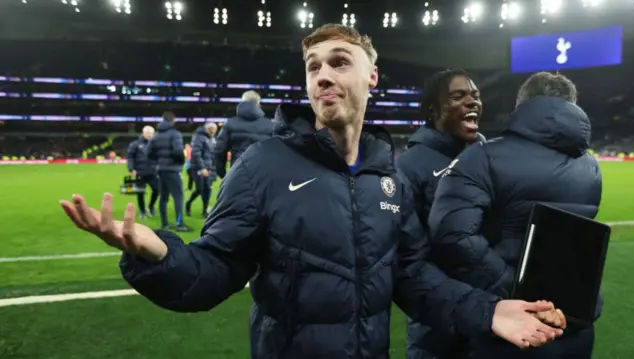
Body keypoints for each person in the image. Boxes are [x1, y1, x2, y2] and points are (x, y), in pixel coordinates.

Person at [60, 25, 565, 359]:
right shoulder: (264, 164)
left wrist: (489, 309)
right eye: (313, 66)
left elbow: (412, 277)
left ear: (372, 76)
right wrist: (160, 253)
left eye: (339, 62)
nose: (323, 74)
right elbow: (214, 270)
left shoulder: (387, 175)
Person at [428, 71, 599, 358]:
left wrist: (519, 291)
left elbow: (451, 235)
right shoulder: (591, 168)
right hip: (571, 322)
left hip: (511, 327)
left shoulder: (483, 156)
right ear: (571, 104)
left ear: (521, 106)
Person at [396, 69, 486, 359]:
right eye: (458, 96)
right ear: (433, 109)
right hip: (439, 323)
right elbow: (410, 256)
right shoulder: (409, 166)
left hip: (495, 310)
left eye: (475, 95)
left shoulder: (489, 155)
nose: (472, 101)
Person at [148, 111, 193, 232]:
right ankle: (180, 224)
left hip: (161, 170)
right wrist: (181, 162)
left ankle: (165, 224)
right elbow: (178, 151)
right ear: (173, 120)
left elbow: (149, 153)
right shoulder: (175, 134)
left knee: (163, 197)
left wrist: (159, 162)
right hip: (172, 170)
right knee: (178, 197)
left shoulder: (156, 135)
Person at [213, 90, 273, 178]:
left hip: (238, 172)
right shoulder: (270, 125)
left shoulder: (230, 124)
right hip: (263, 173)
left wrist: (221, 173)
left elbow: (219, 151)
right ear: (259, 104)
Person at [126, 125, 159, 219]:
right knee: (140, 192)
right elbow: (130, 157)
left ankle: (151, 206)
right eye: (147, 133)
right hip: (140, 172)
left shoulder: (156, 145)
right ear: (143, 133)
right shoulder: (135, 144)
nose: (149, 135)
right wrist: (131, 169)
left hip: (153, 172)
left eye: (151, 133)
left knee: (157, 190)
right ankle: (142, 211)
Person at [186, 122, 217, 218]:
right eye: (213, 130)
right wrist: (202, 167)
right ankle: (188, 204)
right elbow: (196, 154)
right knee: (200, 189)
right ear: (209, 129)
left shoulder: (212, 139)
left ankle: (205, 211)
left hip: (209, 167)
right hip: (198, 167)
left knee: (207, 189)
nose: (214, 132)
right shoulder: (198, 137)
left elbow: (213, 154)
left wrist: (213, 168)